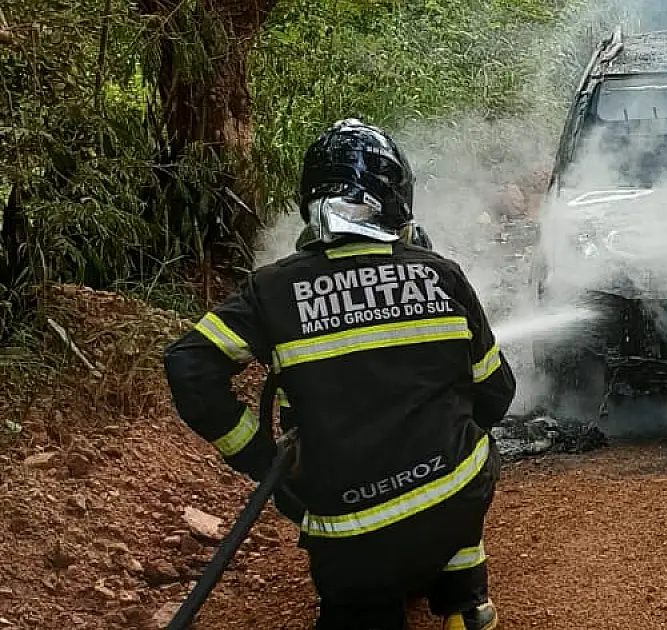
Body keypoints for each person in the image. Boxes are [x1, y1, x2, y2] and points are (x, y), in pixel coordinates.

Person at [163, 118, 516, 630]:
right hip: (453, 500)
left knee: (362, 597)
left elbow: (188, 366)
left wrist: (261, 457)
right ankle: (466, 604)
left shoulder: (272, 290)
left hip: (351, 535)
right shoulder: (440, 273)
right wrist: (444, 430)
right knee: (465, 461)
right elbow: (497, 394)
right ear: (396, 197)